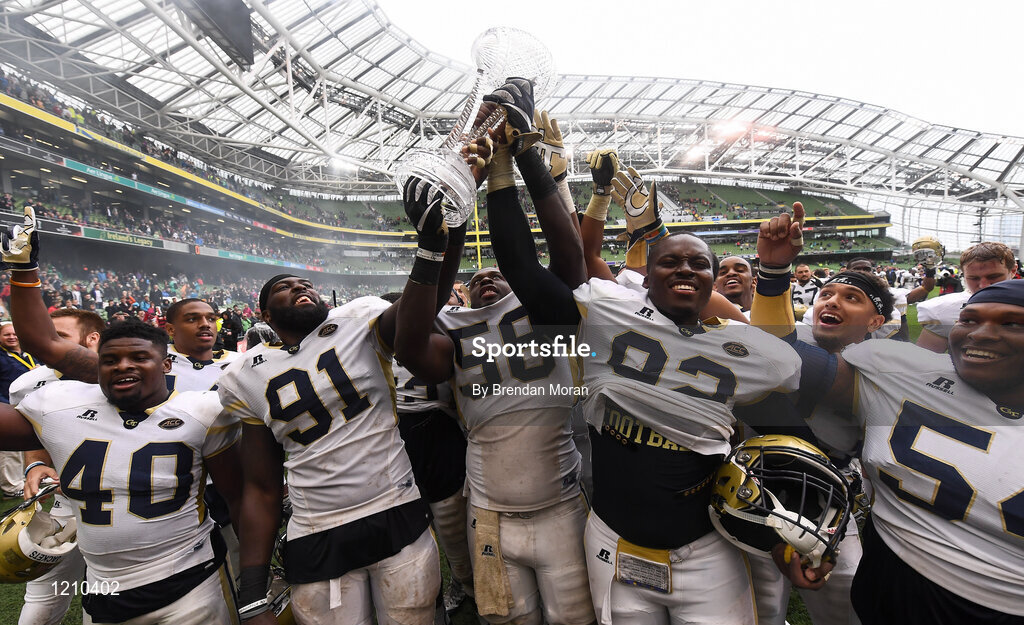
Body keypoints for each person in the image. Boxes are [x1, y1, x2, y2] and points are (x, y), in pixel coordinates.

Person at [425, 80, 806, 625]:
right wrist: (516, 160)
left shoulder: (735, 340)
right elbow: (522, 264)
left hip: (704, 542)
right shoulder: (606, 313)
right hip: (614, 539)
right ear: (641, 278)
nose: (684, 270)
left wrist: (772, 273)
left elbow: (785, 362)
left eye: (699, 264)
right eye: (668, 263)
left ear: (713, 278)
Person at [219, 136, 491, 625]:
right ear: (263, 312)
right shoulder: (241, 375)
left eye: (305, 282)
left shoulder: (360, 319)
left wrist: (442, 237)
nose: (300, 286)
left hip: (396, 508)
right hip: (316, 526)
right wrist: (254, 587)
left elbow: (419, 313)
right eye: (284, 287)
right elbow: (260, 487)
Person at [752, 212, 1024, 625]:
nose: (982, 333)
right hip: (889, 575)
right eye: (969, 319)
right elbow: (779, 354)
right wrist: (773, 273)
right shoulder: (901, 370)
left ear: (878, 321)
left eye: (1011, 324)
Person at [396, 102, 594, 625]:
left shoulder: (546, 313)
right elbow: (409, 344)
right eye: (477, 276)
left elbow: (566, 261)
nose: (487, 277)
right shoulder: (455, 331)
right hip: (489, 513)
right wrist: (445, 231)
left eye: (497, 274)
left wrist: (519, 164)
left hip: (561, 505)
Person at [0, 320, 242, 624]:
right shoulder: (59, 400)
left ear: (167, 364)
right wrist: (35, 462)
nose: (122, 366)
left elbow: (242, 495)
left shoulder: (201, 410)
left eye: (139, 358)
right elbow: (29, 426)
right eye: (110, 360)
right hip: (105, 586)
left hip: (190, 577)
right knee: (43, 597)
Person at [14, 309, 104, 625]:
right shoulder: (32, 382)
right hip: (66, 507)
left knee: (107, 600)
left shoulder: (123, 377)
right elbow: (37, 426)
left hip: (125, 513)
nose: (47, 345)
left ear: (92, 339)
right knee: (42, 596)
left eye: (58, 337)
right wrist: (35, 464)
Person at [916, 241, 1017, 353]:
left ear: (1013, 271)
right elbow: (924, 363)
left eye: (994, 276)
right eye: (974, 278)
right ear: (964, 276)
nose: (983, 286)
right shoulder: (942, 310)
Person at [0, 321, 35, 498]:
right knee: (10, 450)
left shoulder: (28, 355)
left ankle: (23, 478)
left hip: (27, 407)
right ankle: (12, 487)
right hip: (7, 408)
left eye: (15, 334)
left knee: (25, 445)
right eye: (7, 334)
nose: (12, 337)